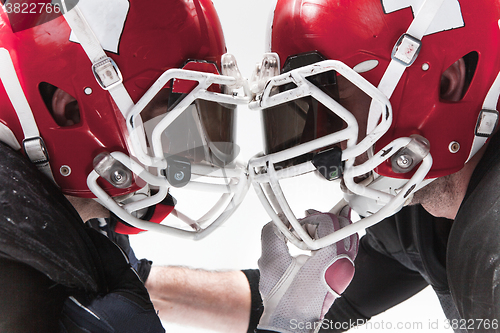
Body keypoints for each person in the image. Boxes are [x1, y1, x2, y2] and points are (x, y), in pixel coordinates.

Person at [147, 0, 500, 332]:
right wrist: (138, 281)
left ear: (446, 83)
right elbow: (302, 304)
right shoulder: (419, 209)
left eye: (333, 108)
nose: (323, 148)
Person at [0, 0, 251, 331]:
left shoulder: (48, 205)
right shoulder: (16, 280)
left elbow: (134, 283)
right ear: (71, 111)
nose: (184, 154)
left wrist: (272, 302)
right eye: (167, 119)